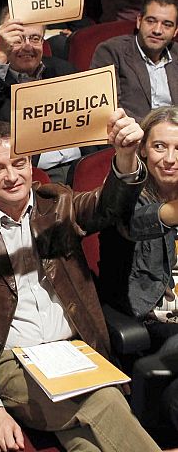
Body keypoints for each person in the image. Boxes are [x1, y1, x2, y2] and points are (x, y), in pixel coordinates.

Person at [0, 115, 162, 452]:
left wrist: (126, 156)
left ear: (31, 165)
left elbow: (108, 206)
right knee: (104, 398)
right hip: (11, 360)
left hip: (71, 351)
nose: (12, 177)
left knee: (86, 446)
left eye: (19, 163)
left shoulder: (56, 203)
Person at [99, 106, 178, 439]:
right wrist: (171, 211)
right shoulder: (128, 195)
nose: (170, 158)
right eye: (160, 147)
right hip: (156, 318)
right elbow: (131, 221)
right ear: (144, 148)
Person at [0, 10, 78, 182]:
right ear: (0, 42)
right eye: (17, 39)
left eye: (35, 38)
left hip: (81, 167)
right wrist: (1, 54)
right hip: (30, 178)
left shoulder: (64, 70)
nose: (27, 46)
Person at [91, 0, 178, 122]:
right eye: (151, 21)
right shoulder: (111, 51)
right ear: (139, 21)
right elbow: (107, 108)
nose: (157, 30)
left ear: (175, 31)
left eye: (167, 24)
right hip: (133, 135)